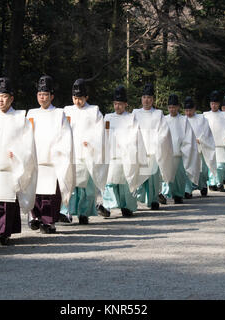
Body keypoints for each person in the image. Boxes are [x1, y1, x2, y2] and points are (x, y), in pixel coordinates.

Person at [0, 77, 38, 245]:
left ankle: (2, 232)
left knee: (7, 200)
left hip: (11, 165)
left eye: (4, 96)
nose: (1, 99)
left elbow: (28, 143)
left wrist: (18, 154)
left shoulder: (21, 118)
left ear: (12, 98)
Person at [27, 75, 75, 234]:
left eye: (45, 95)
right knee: (35, 192)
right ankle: (36, 217)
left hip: (52, 159)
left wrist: (60, 152)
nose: (42, 98)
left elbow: (66, 135)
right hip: (35, 158)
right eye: (40, 95)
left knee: (50, 194)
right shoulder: (31, 114)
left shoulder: (59, 113)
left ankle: (49, 222)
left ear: (51, 96)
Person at [61, 79, 108, 224]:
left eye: (80, 98)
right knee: (69, 183)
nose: (77, 101)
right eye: (75, 98)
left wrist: (91, 142)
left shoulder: (94, 111)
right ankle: (65, 212)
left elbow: (100, 130)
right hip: (71, 153)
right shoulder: (66, 110)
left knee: (87, 187)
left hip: (88, 153)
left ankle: (84, 213)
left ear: (86, 97)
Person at [102, 85, 149, 217]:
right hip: (112, 154)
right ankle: (108, 206)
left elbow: (136, 136)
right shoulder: (108, 118)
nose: (117, 107)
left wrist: (127, 147)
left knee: (125, 182)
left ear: (125, 104)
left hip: (126, 154)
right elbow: (103, 135)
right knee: (110, 181)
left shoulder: (131, 118)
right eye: (116, 104)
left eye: (120, 104)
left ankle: (127, 206)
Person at [132, 83, 175, 210]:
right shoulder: (135, 113)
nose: (146, 100)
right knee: (140, 176)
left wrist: (157, 143)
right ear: (141, 99)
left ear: (153, 100)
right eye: (144, 97)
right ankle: (141, 197)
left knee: (153, 178)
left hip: (154, 149)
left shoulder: (158, 114)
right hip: (139, 150)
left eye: (149, 98)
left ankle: (154, 199)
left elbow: (164, 132)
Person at [161, 94, 200, 204]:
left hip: (179, 153)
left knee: (179, 177)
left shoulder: (184, 120)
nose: (172, 109)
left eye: (174, 107)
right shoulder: (164, 119)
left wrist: (185, 149)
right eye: (170, 107)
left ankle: (178, 194)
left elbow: (188, 137)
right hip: (166, 153)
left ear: (178, 107)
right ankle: (164, 194)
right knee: (166, 175)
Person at [183, 96, 217, 199]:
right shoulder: (183, 120)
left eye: (190, 110)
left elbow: (206, 133)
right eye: (186, 110)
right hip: (187, 149)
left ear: (194, 109)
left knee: (201, 170)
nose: (188, 113)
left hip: (200, 148)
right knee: (188, 169)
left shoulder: (201, 119)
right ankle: (187, 190)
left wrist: (200, 140)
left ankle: (202, 186)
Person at [203, 91, 225, 192]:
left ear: (219, 104)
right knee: (210, 164)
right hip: (209, 144)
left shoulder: (224, 115)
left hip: (221, 143)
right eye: (212, 103)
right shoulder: (205, 115)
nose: (214, 105)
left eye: (216, 103)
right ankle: (212, 183)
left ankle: (219, 182)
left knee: (220, 165)